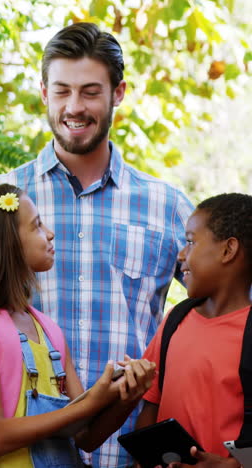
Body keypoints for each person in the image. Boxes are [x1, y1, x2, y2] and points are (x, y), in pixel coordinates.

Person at [0, 22, 193, 467]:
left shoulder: (169, 206)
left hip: (129, 455)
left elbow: (227, 307)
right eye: (62, 91)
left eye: (90, 92)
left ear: (119, 93)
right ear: (43, 92)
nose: (73, 107)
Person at [0, 182, 156, 468]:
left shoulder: (48, 330)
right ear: (8, 242)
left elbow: (84, 436)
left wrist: (125, 395)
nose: (50, 234)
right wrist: (88, 405)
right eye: (37, 225)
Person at [135, 192, 252, 468]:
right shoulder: (176, 319)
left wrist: (232, 465)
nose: (180, 254)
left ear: (228, 250)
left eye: (190, 242)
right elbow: (151, 406)